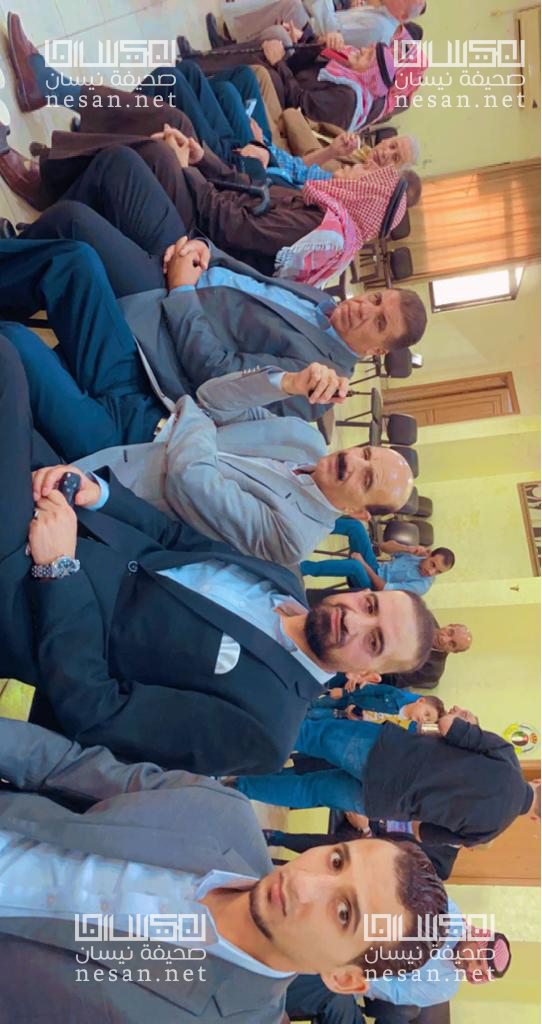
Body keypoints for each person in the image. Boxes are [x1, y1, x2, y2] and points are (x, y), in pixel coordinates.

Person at [0, 334, 435, 772]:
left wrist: (59, 569)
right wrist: (101, 496)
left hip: (32, 601)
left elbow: (97, 710)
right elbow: (173, 539)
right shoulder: (285, 579)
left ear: (368, 675)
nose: (355, 620)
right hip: (77, 520)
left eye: (373, 640)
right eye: (370, 605)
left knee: (7, 369)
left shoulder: (267, 729)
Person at [0, 717, 447, 1023]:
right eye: (336, 861)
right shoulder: (221, 814)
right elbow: (70, 766)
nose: (303, 881)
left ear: (344, 978)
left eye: (344, 912)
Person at [0, 245, 415, 563]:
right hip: (149, 398)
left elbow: (189, 477)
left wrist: (195, 415)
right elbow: (213, 398)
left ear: (358, 513)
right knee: (77, 263)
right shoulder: (305, 441)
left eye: (366, 479)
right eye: (365, 454)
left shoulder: (293, 536)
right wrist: (287, 382)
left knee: (16, 344)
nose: (353, 462)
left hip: (124, 455)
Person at [10, 174, 427, 428]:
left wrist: (181, 289)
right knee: (124, 170)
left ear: (377, 351)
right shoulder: (321, 300)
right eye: (375, 299)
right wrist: (205, 249)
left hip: (167, 316)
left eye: (378, 322)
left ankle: (18, 274)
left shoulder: (316, 384)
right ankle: (28, 242)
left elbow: (216, 373)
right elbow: (252, 278)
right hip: (194, 269)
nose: (364, 308)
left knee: (74, 223)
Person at [20, 134, 420, 288]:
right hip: (209, 226)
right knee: (164, 147)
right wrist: (202, 159)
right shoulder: (329, 211)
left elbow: (230, 227)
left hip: (201, 249)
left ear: (366, 195)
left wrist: (187, 170)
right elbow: (255, 192)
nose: (355, 169)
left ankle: (44, 207)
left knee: (133, 161)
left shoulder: (320, 229)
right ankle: (50, 193)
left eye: (364, 175)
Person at [232, 712, 540, 844]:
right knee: (309, 790)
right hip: (386, 802)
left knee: (310, 735)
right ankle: (236, 786)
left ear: (539, 782)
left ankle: (231, 736)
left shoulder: (507, 758)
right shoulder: (489, 832)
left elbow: (447, 725)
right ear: (536, 819)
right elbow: (423, 832)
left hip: (391, 755)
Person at [308, 682, 445, 727]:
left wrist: (357, 721)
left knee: (313, 716)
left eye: (427, 720)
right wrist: (344, 692)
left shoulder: (401, 727)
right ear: (420, 701)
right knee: (314, 703)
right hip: (347, 700)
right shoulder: (396, 694)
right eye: (426, 714)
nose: (423, 719)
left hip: (345, 719)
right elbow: (369, 689)